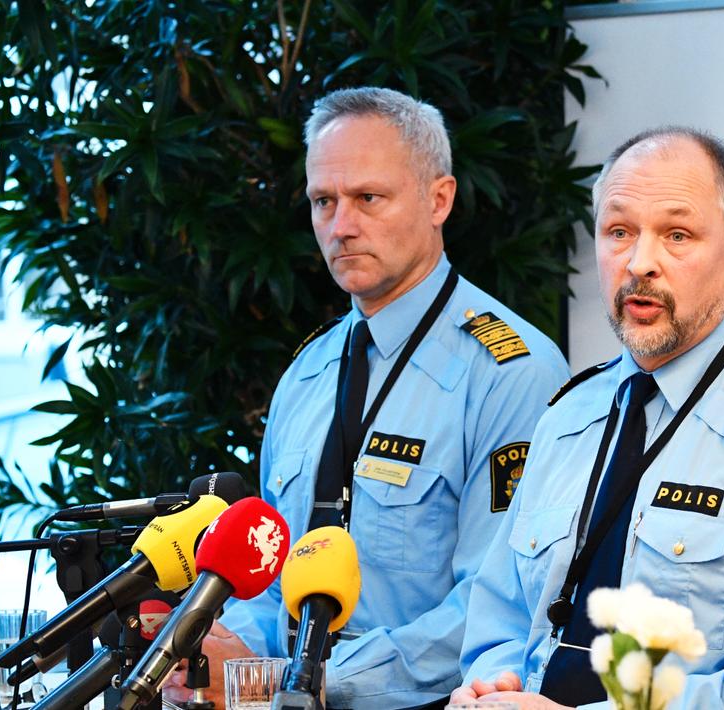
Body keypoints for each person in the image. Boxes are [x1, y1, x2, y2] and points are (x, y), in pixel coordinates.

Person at [163, 87, 568, 709]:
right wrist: (222, 653)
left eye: (368, 198)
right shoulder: (308, 371)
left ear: (439, 200)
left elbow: (496, 605)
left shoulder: (510, 372)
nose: (341, 226)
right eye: (323, 201)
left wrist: (306, 679)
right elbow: (268, 574)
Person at [452, 127, 724, 710]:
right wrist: (495, 685)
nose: (639, 263)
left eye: (677, 235)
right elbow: (499, 615)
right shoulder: (568, 415)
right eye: (619, 232)